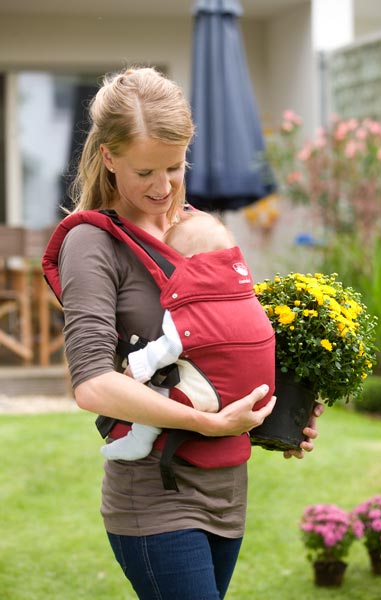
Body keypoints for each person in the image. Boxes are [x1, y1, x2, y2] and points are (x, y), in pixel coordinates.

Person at [45, 66, 324, 600]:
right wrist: (207, 422)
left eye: (174, 167)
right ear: (109, 157)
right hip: (155, 496)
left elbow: (228, 341)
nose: (163, 187)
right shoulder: (94, 244)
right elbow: (93, 384)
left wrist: (280, 411)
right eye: (145, 171)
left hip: (228, 490)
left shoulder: (199, 229)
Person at [101, 211, 275, 462]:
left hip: (214, 394)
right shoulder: (242, 295)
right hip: (258, 391)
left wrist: (140, 365)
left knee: (156, 392)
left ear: (189, 262)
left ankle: (140, 440)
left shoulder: (193, 303)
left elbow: (173, 343)